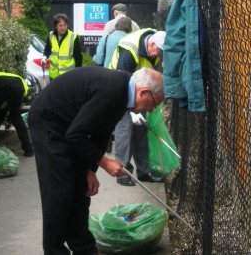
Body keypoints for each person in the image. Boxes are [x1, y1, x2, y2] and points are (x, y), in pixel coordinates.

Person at [28, 66, 164, 255]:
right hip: (49, 123)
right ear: (143, 92)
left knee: (80, 191)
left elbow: (100, 132)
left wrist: (90, 169)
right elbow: (76, 135)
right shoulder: (113, 91)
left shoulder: (122, 93)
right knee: (59, 191)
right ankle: (54, 250)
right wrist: (105, 163)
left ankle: (84, 249)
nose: (150, 110)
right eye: (153, 104)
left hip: (69, 126)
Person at [109, 29, 166, 186]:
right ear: (152, 43)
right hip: (120, 91)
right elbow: (122, 78)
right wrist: (132, 110)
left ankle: (144, 171)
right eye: (158, 52)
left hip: (140, 92)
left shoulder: (154, 51)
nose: (158, 56)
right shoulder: (130, 50)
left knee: (141, 131)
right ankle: (122, 172)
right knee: (124, 130)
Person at [0, 72, 34, 157]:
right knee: (16, 117)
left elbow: (2, 109)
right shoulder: (22, 83)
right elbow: (5, 109)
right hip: (18, 88)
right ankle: (28, 149)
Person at [43, 13, 82, 80]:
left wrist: (78, 74)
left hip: (68, 75)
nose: (63, 28)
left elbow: (78, 58)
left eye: (65, 25)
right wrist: (44, 57)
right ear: (56, 26)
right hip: (54, 75)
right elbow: (47, 50)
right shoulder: (51, 35)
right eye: (61, 25)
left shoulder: (73, 37)